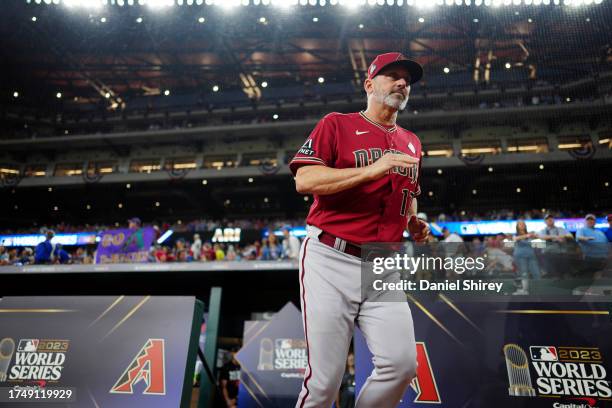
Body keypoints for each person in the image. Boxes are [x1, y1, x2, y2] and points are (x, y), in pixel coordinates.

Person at [290, 52, 428, 407]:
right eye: (392, 75)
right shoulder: (337, 124)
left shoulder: (412, 141)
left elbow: (407, 192)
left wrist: (414, 219)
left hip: (382, 262)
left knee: (401, 365)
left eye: (406, 80)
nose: (401, 83)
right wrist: (370, 171)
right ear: (369, 84)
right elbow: (305, 179)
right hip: (331, 256)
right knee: (325, 381)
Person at [512, 220, 541, 294]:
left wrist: (535, 236)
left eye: (523, 224)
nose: (522, 225)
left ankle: (537, 290)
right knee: (524, 273)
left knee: (536, 273)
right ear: (517, 226)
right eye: (520, 224)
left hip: (531, 256)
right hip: (520, 256)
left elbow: (538, 241)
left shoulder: (530, 234)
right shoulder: (515, 235)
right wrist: (528, 235)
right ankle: (524, 290)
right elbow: (515, 239)